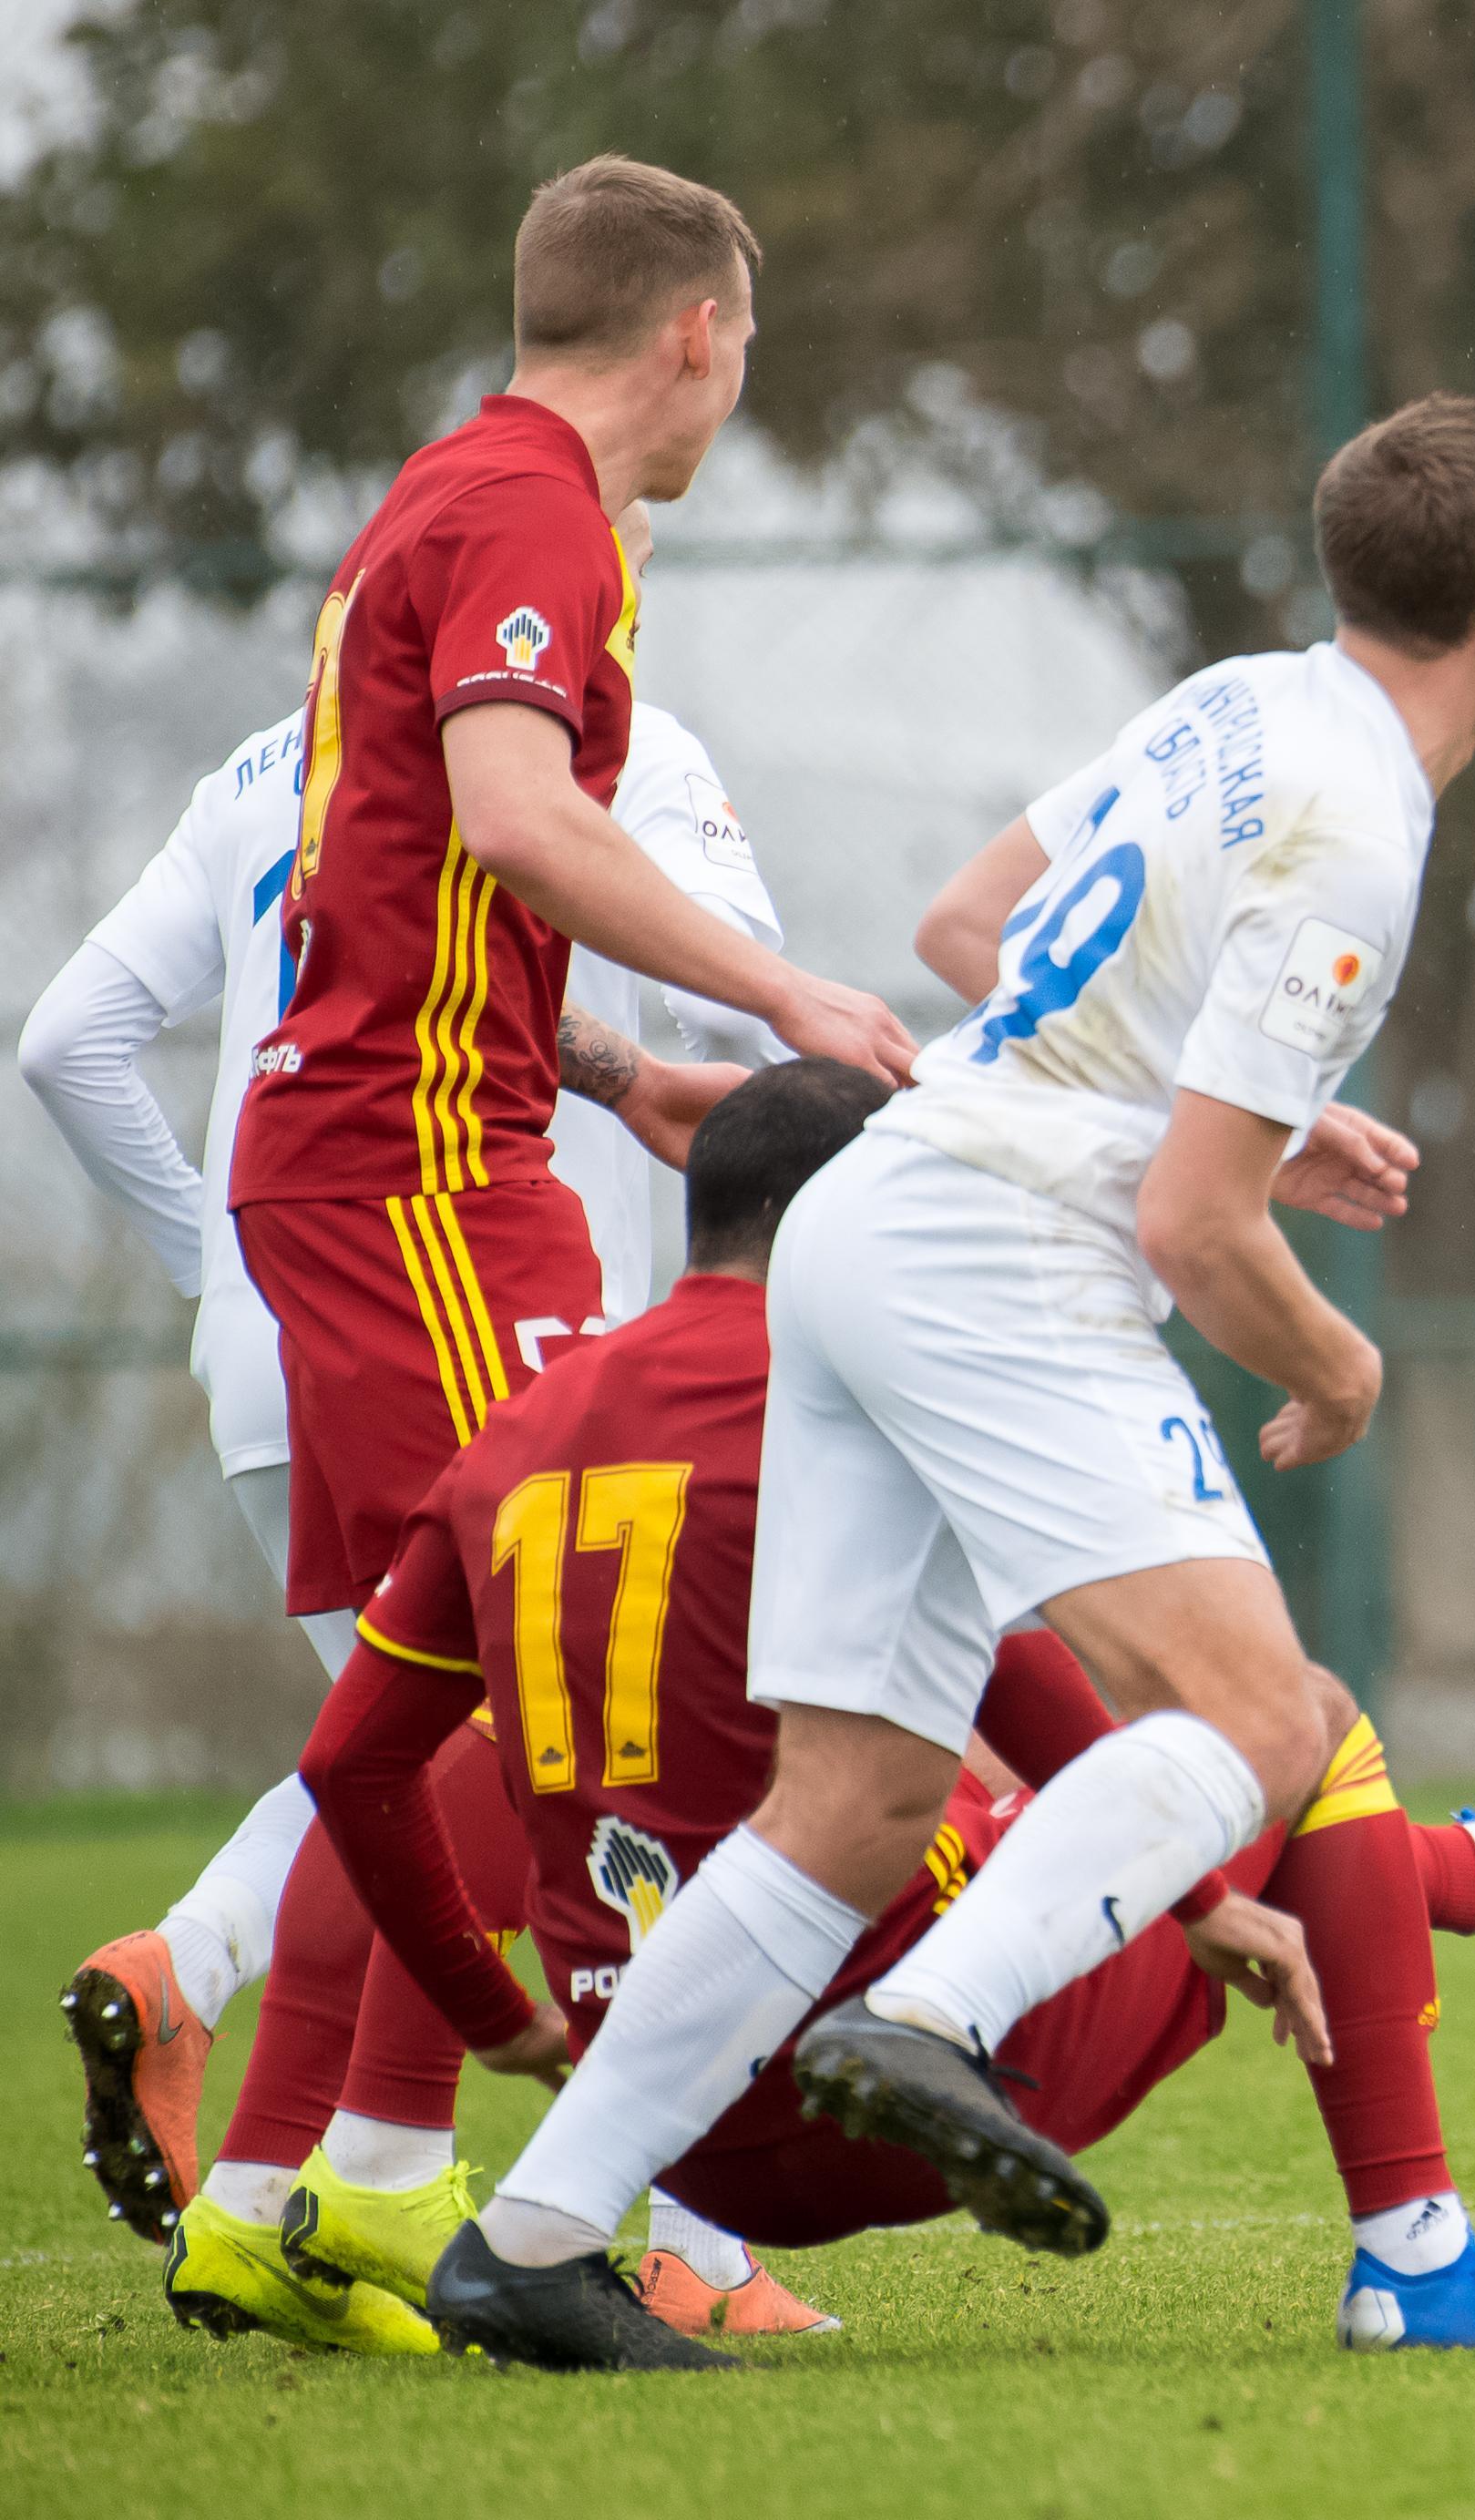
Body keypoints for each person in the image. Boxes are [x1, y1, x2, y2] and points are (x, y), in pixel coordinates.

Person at [425, 389, 1475, 2366]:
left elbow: (967, 930)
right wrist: (1339, 1364)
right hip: (992, 1256)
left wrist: (1231, 1116)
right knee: (1264, 1719)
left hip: (859, 1223)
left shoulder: (1241, 702)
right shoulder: (1363, 827)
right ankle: (941, 2021)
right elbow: (1193, 1232)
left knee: (852, 1800)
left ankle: (531, 2239)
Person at [66, 153, 916, 2342]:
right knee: (551, 1664)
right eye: (748, 346)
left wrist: (614, 1066)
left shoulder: (450, 496)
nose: (740, 386)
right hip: (421, 1179)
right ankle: (428, 2183)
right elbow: (522, 821)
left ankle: (284, 2193)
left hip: (413, 1154)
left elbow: (422, 880)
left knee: (433, 1696)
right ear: (697, 333)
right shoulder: (536, 513)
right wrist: (785, 993)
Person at [295, 1061, 1475, 2366]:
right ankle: (1418, 2251)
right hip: (880, 2082)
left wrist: (499, 2020)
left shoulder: (514, 1434)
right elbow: (1019, 1677)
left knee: (981, 1777)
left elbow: (352, 1764)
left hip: (655, 2115)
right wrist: (1195, 1897)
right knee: (1302, 1716)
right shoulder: (856, 1381)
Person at [19, 631, 797, 2339]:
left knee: (412, 1751)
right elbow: (749, 1024)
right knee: (615, 1763)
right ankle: (670, 2234)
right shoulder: (613, 745)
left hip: (278, 1337)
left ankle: (228, 2085)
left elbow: (67, 1041)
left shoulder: (272, 762)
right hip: (487, 1316)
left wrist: (219, 1278)